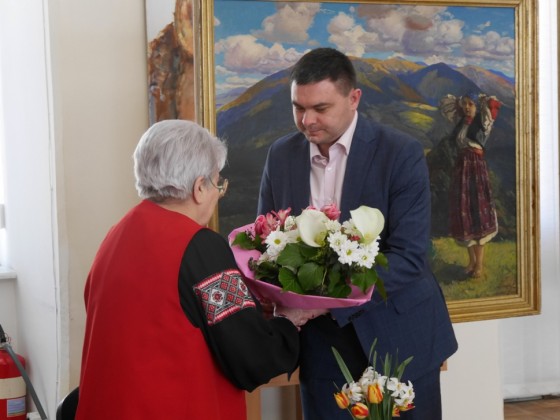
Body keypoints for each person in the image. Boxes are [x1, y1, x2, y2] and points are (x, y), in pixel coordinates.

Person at [257, 48, 458, 420]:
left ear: (354, 99)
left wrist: (321, 301)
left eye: (320, 108)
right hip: (321, 346)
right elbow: (267, 243)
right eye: (298, 108)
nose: (307, 120)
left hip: (399, 332)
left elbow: (409, 257)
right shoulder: (280, 155)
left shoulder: (401, 153)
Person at [76, 120, 315, 420]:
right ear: (199, 187)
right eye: (217, 183)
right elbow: (251, 356)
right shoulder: (200, 247)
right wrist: (288, 321)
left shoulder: (115, 235)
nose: (217, 193)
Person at [440, 92, 501, 278]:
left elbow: (489, 109)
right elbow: (456, 142)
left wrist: (484, 104)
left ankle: (479, 265)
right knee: (464, 211)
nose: (467, 107)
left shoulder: (482, 123)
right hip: (462, 170)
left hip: (475, 170)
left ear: (477, 106)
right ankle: (471, 262)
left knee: (477, 213)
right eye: (465, 104)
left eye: (471, 104)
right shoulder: (462, 123)